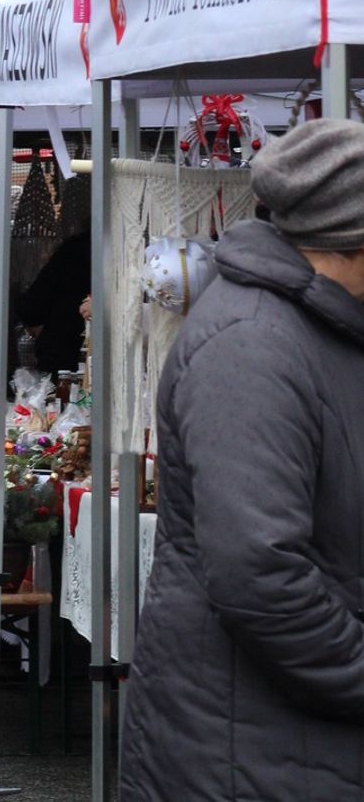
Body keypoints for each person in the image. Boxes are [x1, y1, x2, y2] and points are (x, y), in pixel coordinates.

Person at [120, 119, 364, 802]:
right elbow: (260, 571)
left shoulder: (319, 323)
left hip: (286, 738)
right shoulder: (252, 344)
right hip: (244, 746)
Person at [18, 230, 92, 373]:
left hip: (60, 352)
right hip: (88, 352)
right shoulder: (117, 255)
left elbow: (31, 308)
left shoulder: (69, 255)